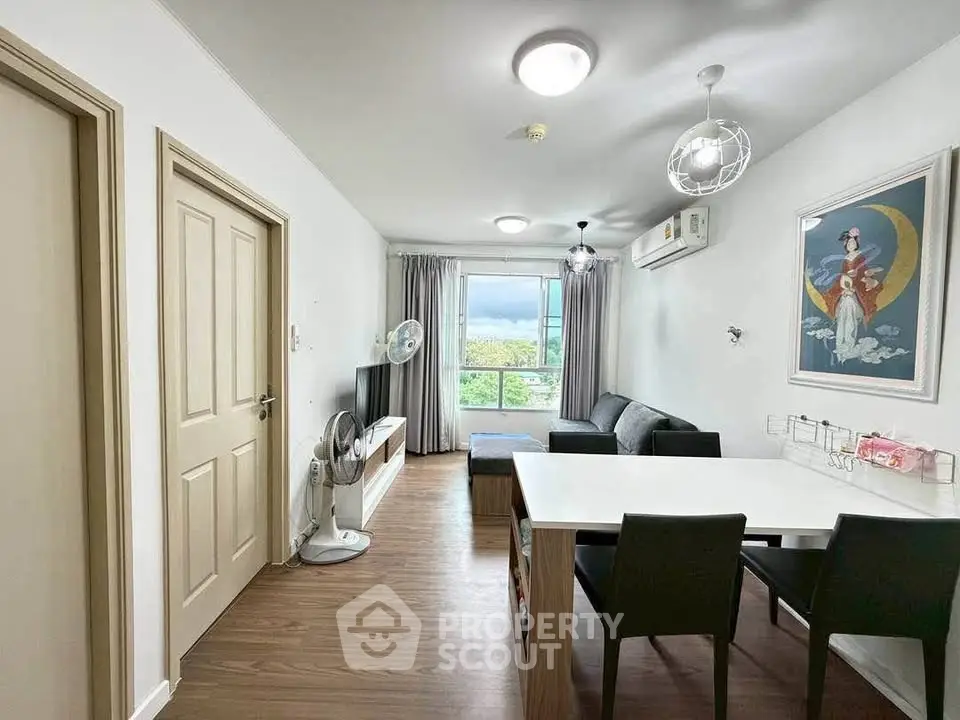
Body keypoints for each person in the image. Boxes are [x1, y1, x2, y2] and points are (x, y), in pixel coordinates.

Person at [823, 228, 884, 362]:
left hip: (856, 291)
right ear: (845, 245)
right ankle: (840, 345)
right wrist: (844, 287)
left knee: (850, 312)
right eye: (849, 243)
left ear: (857, 243)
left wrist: (855, 285)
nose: (851, 245)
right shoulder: (846, 259)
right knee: (842, 317)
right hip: (845, 288)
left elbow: (862, 273)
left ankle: (849, 345)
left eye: (853, 243)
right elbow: (843, 275)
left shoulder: (860, 257)